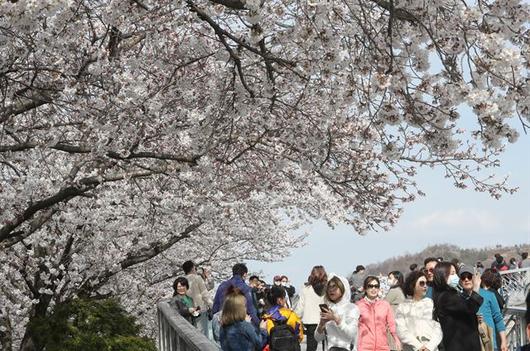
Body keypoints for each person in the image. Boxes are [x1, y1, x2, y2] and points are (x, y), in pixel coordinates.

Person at [432, 261, 483, 351]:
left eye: (455, 273)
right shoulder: (446, 297)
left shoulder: (450, 294)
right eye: (452, 273)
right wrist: (475, 289)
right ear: (443, 275)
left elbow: (463, 312)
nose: (456, 276)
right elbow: (471, 307)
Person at [395, 270, 442, 351]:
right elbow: (401, 330)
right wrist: (418, 346)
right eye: (421, 283)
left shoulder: (431, 303)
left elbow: (437, 328)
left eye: (426, 283)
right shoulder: (402, 307)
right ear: (412, 285)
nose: (425, 286)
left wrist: (429, 347)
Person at [315, 274, 360, 351]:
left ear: (343, 288)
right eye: (329, 287)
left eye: (334, 286)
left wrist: (336, 319)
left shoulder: (352, 308)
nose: (331, 290)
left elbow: (351, 335)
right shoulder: (328, 308)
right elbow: (318, 338)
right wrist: (321, 324)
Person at [356, 276, 401, 351]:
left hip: (383, 346)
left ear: (379, 288)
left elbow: (392, 324)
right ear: (365, 289)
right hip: (364, 347)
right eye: (370, 286)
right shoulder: (358, 305)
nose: (373, 288)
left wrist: (396, 338)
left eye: (376, 286)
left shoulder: (385, 305)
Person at [294, 265, 327, 351]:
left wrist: (295, 317)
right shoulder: (327, 289)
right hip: (325, 319)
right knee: (328, 345)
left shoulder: (306, 289)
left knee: (311, 347)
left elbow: (300, 308)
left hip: (310, 321)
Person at [263, 285, 304, 349]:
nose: (285, 299)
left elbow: (264, 338)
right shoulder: (291, 315)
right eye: (284, 297)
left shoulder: (266, 318)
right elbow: (300, 336)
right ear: (280, 300)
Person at [478, 268, 508, 351]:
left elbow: (497, 318)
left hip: (489, 335)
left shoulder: (489, 295)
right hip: (493, 336)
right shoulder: (496, 294)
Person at [182, 260, 213, 336]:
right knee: (202, 334)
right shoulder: (198, 278)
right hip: (200, 309)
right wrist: (211, 305)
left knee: (192, 335)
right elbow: (205, 294)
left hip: (189, 311)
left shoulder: (183, 281)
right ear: (192, 268)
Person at [385, 271, 406, 351]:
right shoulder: (400, 289)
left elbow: (384, 303)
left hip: (393, 321)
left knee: (393, 345)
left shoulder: (394, 290)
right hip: (399, 320)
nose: (388, 280)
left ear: (396, 279)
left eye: (390, 278)